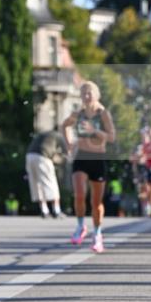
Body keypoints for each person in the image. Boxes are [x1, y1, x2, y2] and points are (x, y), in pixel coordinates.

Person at [61, 81, 116, 253]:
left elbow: (112, 137)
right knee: (79, 194)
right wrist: (69, 143)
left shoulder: (103, 113)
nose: (86, 96)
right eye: (83, 93)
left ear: (96, 94)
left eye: (89, 92)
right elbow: (64, 126)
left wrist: (94, 130)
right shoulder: (78, 113)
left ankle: (98, 233)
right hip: (81, 157)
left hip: (98, 158)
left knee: (96, 202)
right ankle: (80, 226)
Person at [25, 129, 67, 218]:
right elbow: (65, 153)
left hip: (29, 156)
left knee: (36, 184)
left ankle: (44, 210)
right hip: (43, 157)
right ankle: (56, 210)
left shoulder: (43, 134)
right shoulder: (60, 136)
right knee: (51, 183)